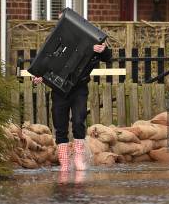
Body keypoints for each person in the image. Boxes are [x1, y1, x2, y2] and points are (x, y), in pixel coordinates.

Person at [33, 42, 112, 171]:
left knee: (78, 120)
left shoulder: (90, 40)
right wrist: (40, 75)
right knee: (60, 125)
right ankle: (64, 161)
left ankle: (78, 158)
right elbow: (47, 59)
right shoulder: (59, 39)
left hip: (79, 88)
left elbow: (108, 58)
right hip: (59, 88)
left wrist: (103, 49)